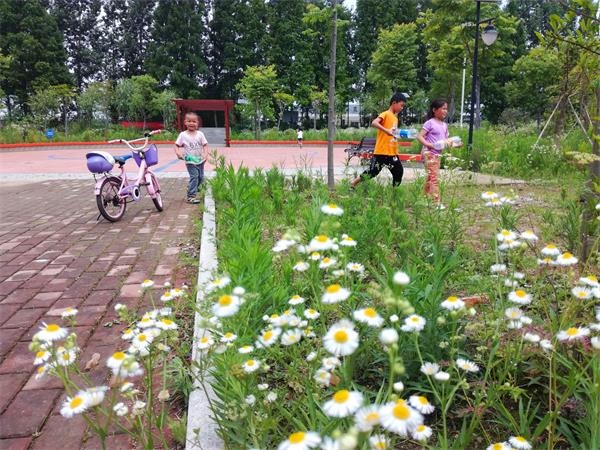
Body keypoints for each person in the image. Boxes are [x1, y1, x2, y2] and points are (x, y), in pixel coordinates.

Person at [350, 92, 407, 189]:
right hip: (381, 151)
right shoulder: (385, 114)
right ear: (394, 103)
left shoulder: (395, 118)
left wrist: (398, 134)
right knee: (373, 172)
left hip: (392, 152)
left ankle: (395, 192)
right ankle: (353, 183)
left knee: (398, 171)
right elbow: (374, 123)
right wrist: (386, 131)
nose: (402, 108)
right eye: (401, 105)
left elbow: (392, 132)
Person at [416, 98, 455, 209]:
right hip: (429, 153)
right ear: (434, 110)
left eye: (446, 109)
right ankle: (436, 202)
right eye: (443, 108)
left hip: (437, 154)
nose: (445, 111)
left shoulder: (444, 125)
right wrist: (429, 145)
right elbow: (419, 136)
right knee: (434, 178)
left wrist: (455, 144)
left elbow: (446, 141)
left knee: (430, 177)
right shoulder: (430, 123)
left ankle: (424, 199)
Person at [174, 112, 208, 204]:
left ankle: (192, 187)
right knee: (194, 176)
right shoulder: (183, 135)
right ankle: (191, 196)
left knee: (200, 177)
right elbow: (176, 145)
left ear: (197, 123)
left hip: (200, 160)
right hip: (190, 160)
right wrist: (178, 153)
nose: (191, 123)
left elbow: (205, 145)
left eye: (194, 121)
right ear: (185, 122)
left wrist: (205, 154)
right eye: (189, 121)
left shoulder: (200, 134)